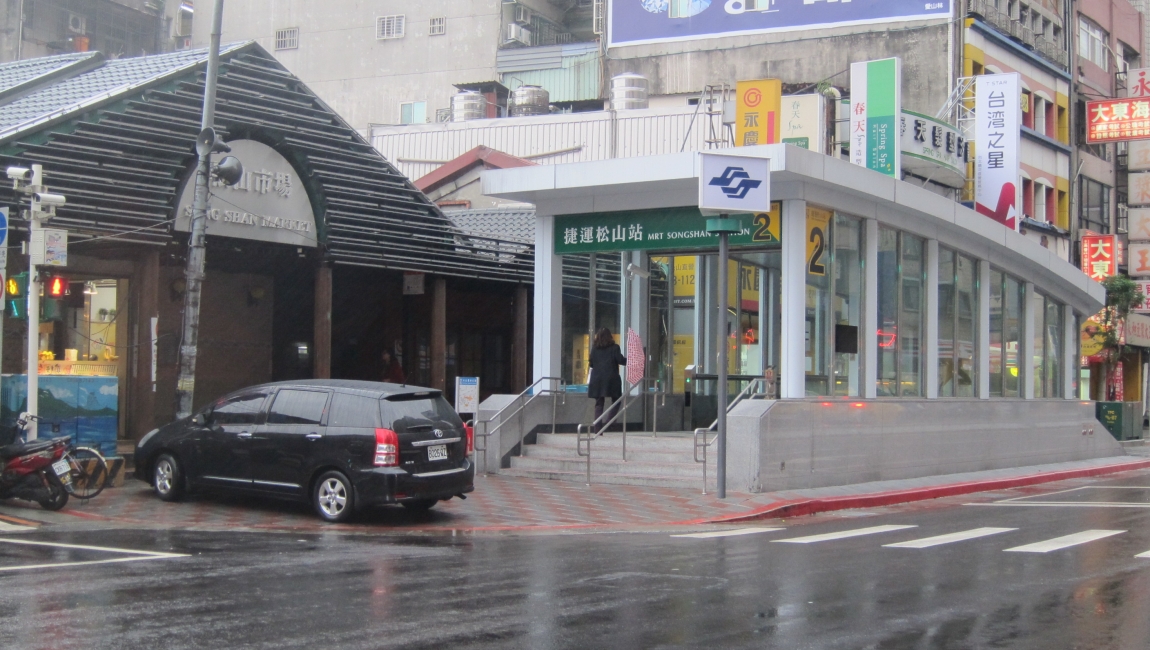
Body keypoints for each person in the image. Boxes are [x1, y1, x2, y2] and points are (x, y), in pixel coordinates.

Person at [587, 327, 626, 434]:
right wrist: (632, 360)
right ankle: (609, 422)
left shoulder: (594, 349)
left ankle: (597, 429)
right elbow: (620, 360)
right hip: (611, 378)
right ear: (610, 336)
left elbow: (591, 363)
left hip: (597, 379)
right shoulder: (615, 348)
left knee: (599, 404)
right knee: (616, 400)